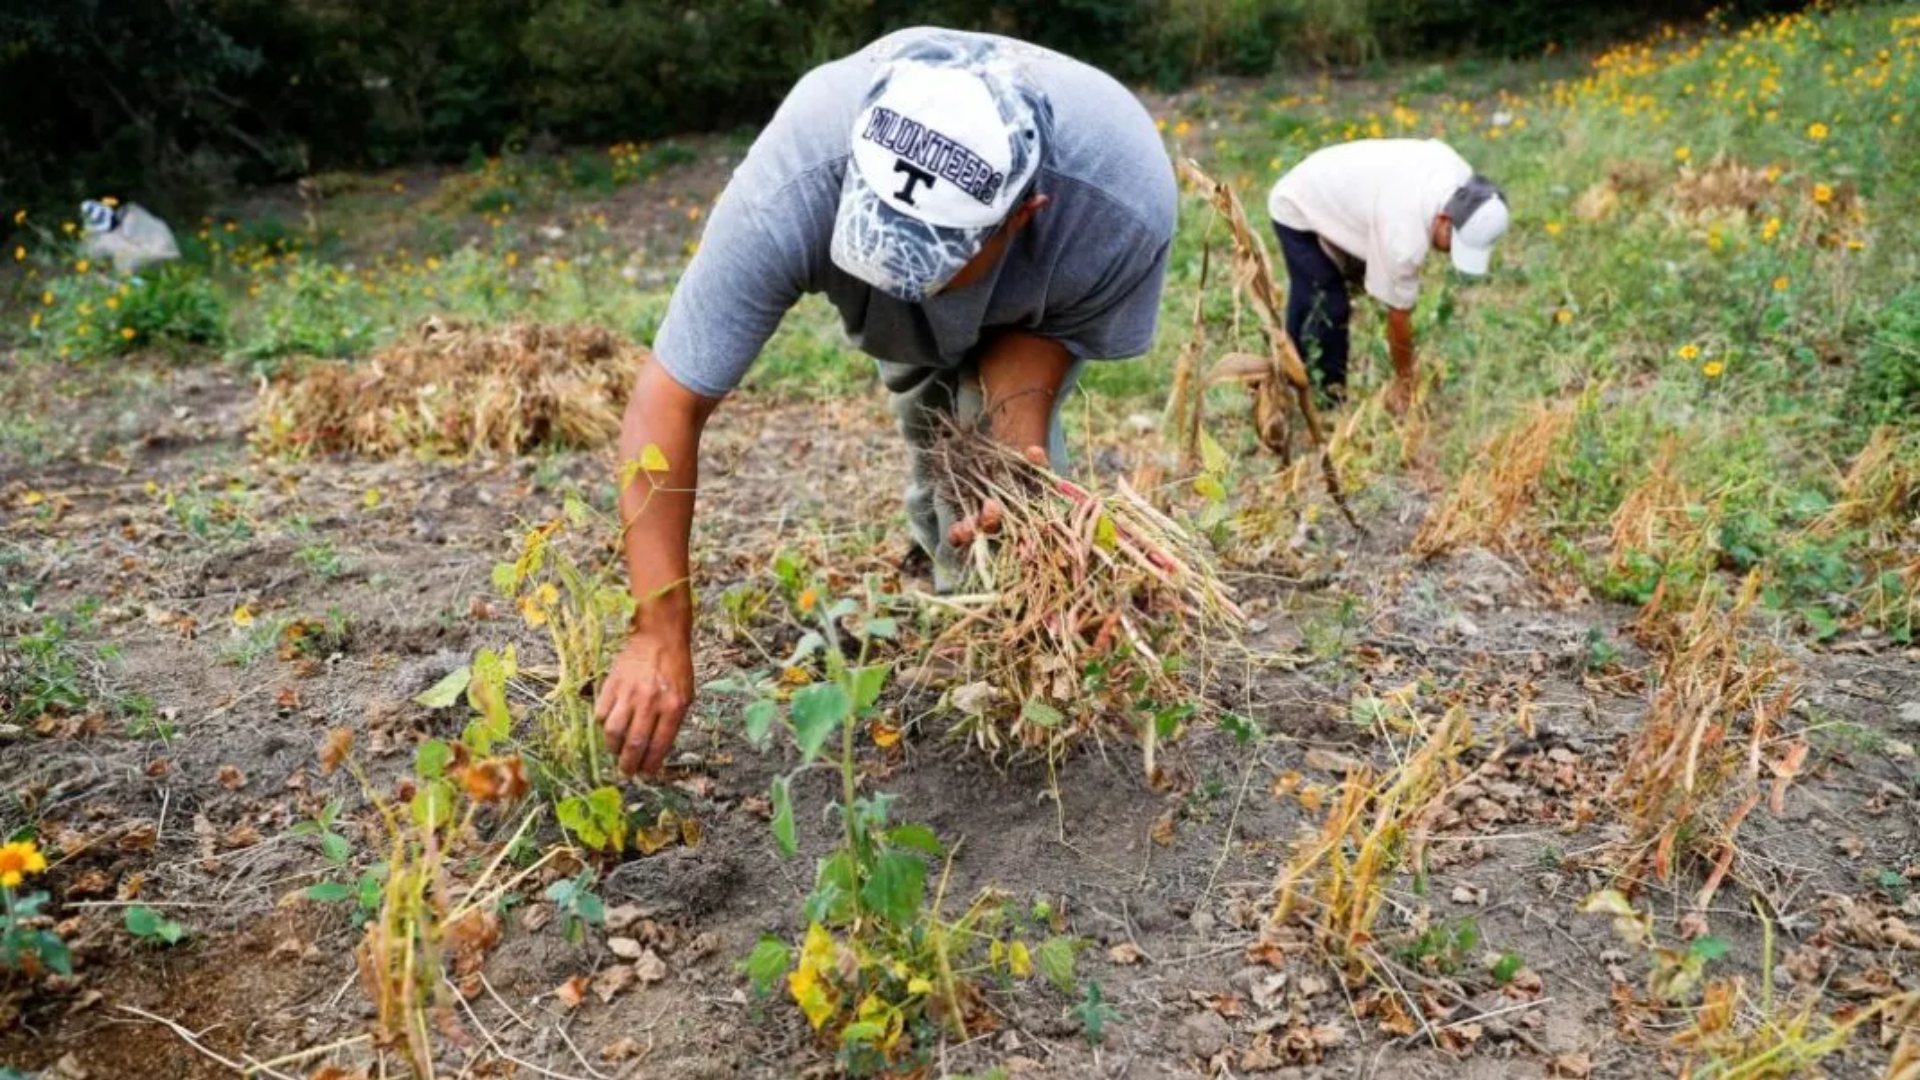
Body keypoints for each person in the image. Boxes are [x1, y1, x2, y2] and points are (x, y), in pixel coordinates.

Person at [597, 28, 1177, 776]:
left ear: (1021, 215)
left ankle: (1013, 663)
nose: (907, 284)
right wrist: (659, 628)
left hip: (1046, 289)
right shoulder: (801, 174)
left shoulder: (1118, 208)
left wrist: (1039, 524)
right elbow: (667, 404)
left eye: (930, 262)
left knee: (1006, 483)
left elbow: (1022, 396)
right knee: (929, 417)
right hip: (877, 226)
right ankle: (951, 559)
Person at [1266, 139, 1509, 413]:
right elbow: (1398, 318)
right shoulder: (1404, 236)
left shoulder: (1460, 181)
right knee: (1328, 305)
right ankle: (1327, 404)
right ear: (1443, 219)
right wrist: (1405, 380)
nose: (1450, 252)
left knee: (1311, 293)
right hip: (1299, 204)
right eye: (1453, 243)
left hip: (1338, 186)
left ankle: (1288, 368)